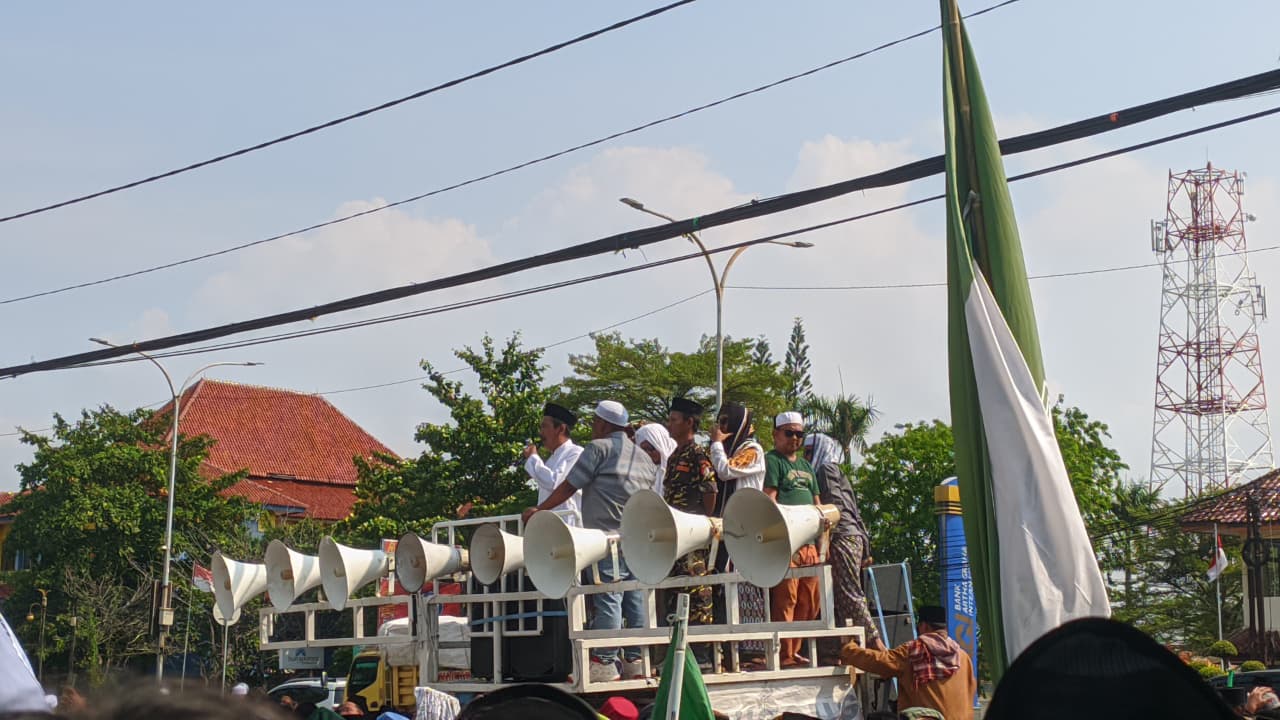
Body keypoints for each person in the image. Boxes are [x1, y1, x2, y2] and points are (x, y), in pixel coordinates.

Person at [523, 400, 656, 682]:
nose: (593, 427)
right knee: (634, 597)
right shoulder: (643, 456)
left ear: (604, 424)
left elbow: (569, 486)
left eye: (595, 422)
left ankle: (604, 662)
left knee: (608, 595)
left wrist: (539, 511)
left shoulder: (598, 448)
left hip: (605, 537)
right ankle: (635, 661)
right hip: (636, 537)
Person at [805, 432, 885, 654]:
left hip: (841, 535)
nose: (805, 457)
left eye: (809, 452)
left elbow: (836, 508)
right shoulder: (837, 471)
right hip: (852, 535)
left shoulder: (825, 470)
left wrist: (826, 540)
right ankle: (841, 649)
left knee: (849, 592)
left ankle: (876, 643)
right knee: (836, 596)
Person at [707, 401, 767, 663]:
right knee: (723, 585)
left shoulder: (752, 450)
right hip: (729, 527)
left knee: (741, 585)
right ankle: (729, 647)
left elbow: (726, 470)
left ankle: (750, 648)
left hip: (746, 527)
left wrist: (716, 444)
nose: (719, 428)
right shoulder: (731, 449)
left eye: (724, 423)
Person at [660, 396, 718, 666]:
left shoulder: (697, 453)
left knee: (697, 589)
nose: (669, 424)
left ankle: (701, 654)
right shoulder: (674, 455)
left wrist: (702, 521)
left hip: (693, 532)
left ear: (689, 423)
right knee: (676, 589)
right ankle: (678, 652)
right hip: (675, 533)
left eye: (674, 420)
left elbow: (710, 489)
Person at [841, 605, 976, 720]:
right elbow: (971, 690)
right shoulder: (963, 657)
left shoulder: (915, 651)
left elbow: (880, 661)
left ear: (924, 626)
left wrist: (849, 649)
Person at [765, 410, 822, 666]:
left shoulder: (806, 466)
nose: (795, 438)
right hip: (788, 542)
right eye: (789, 433)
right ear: (776, 434)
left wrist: (823, 540)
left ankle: (795, 649)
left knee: (810, 601)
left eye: (799, 434)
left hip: (810, 543)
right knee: (786, 599)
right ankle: (784, 654)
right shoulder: (773, 460)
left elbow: (817, 502)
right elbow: (770, 498)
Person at [522, 402, 584, 526]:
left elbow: (554, 483)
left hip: (569, 524)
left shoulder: (576, 453)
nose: (541, 433)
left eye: (544, 427)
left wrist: (533, 458)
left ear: (560, 429)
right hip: (550, 525)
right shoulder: (551, 459)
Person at [634, 422, 677, 498]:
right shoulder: (644, 469)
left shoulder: (678, 464)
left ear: (661, 445)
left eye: (650, 449)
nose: (647, 454)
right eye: (643, 450)